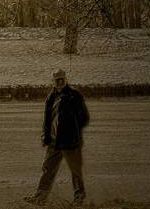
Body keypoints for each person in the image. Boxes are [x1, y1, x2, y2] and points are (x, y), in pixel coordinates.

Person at [25, 69, 90, 206]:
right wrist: (45, 136)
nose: (60, 82)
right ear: (53, 82)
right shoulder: (50, 97)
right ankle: (40, 197)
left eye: (62, 79)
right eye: (57, 80)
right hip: (53, 142)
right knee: (47, 169)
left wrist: (72, 131)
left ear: (65, 79)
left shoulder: (74, 95)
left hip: (70, 142)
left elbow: (84, 118)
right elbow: (47, 120)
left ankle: (79, 198)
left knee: (75, 170)